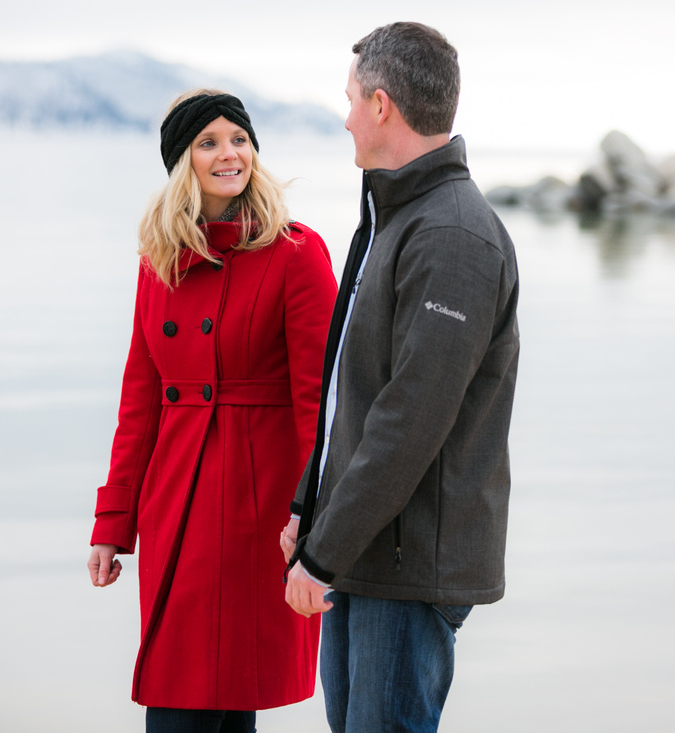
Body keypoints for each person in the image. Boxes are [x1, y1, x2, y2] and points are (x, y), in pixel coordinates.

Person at [281, 22, 520, 733]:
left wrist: (321, 555)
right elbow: (349, 389)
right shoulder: (392, 215)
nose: (347, 114)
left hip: (408, 562)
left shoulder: (451, 236)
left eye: (352, 98)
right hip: (366, 547)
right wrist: (309, 505)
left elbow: (411, 419)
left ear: (382, 106)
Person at [86, 89, 338, 733]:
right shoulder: (159, 258)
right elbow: (139, 399)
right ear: (182, 163)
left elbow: (321, 404)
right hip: (175, 499)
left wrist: (316, 516)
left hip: (256, 509)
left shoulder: (296, 253)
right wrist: (114, 522)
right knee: (185, 696)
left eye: (239, 139)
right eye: (209, 142)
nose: (230, 154)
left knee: (216, 700)